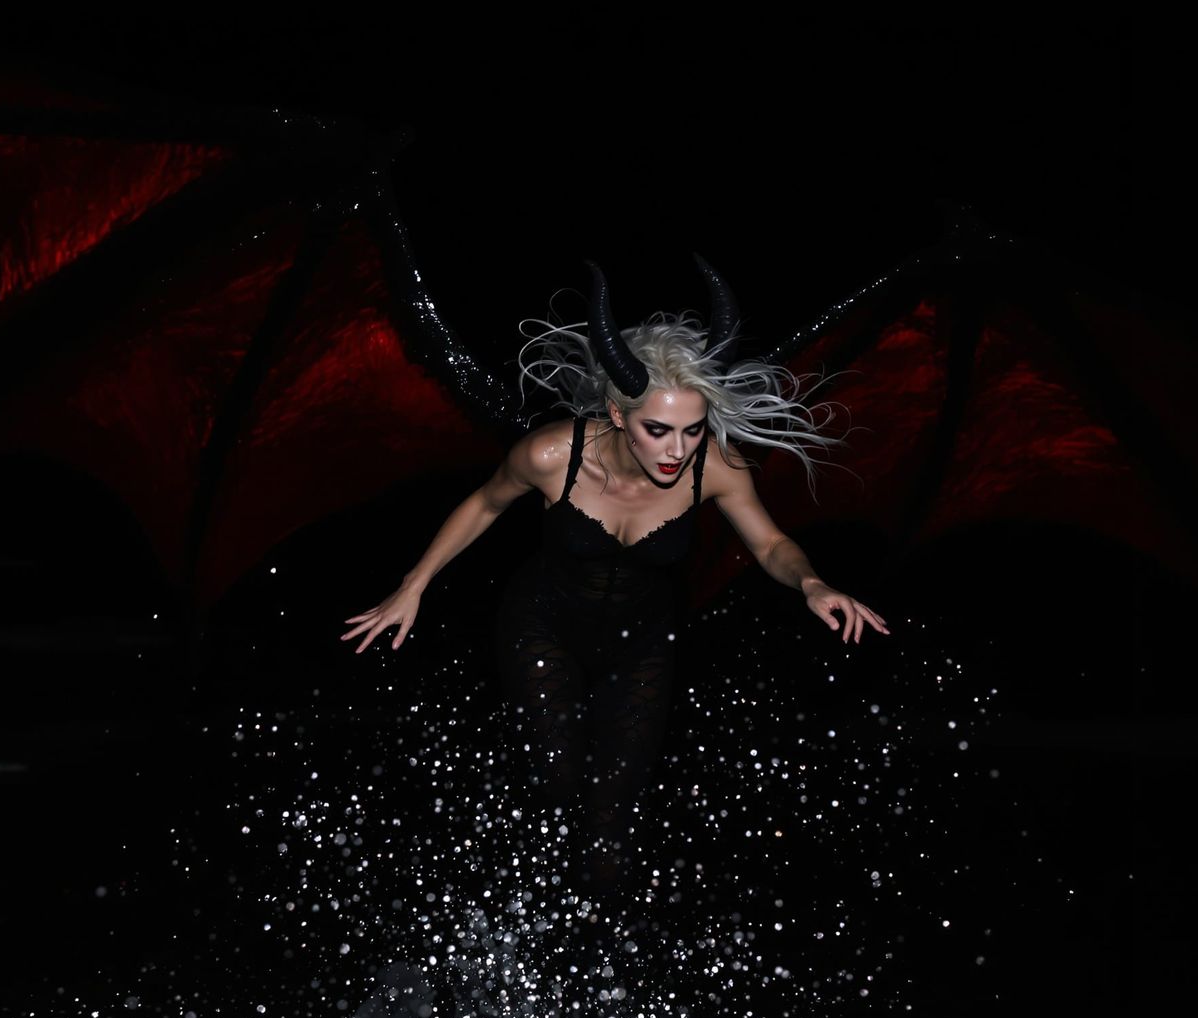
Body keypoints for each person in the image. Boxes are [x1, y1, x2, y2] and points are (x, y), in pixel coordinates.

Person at [340, 257, 888, 894]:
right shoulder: (551, 455)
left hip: (643, 641)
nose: (677, 450)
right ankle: (508, 891)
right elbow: (485, 503)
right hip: (542, 625)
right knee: (558, 775)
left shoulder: (716, 466)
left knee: (615, 812)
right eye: (658, 430)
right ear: (616, 413)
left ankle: (597, 949)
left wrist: (812, 582)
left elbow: (771, 545)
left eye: (691, 430)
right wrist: (414, 584)